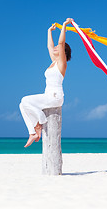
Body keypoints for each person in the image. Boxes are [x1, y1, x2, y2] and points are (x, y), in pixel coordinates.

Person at [19, 18, 73, 148]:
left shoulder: (62, 64)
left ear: (63, 52)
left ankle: (39, 123)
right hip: (48, 95)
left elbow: (61, 42)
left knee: (25, 100)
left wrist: (64, 26)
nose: (55, 47)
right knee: (22, 105)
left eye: (58, 48)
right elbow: (49, 46)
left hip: (55, 96)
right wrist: (49, 31)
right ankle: (34, 131)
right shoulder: (53, 62)